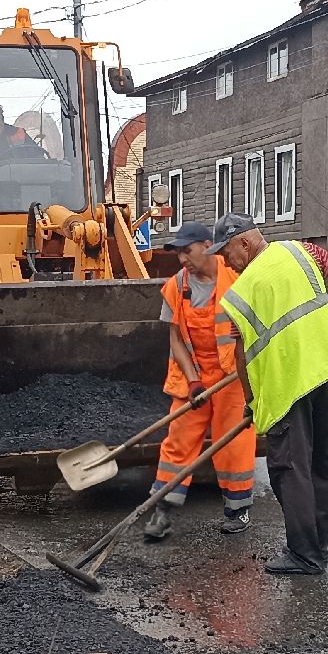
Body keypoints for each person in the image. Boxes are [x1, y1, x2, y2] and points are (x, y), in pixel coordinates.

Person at [210, 213, 328, 575]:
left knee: (289, 469)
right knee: (321, 461)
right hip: (327, 373)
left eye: (225, 254)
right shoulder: (305, 253)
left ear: (244, 243)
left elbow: (241, 357)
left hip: (287, 388)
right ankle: (317, 546)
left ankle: (304, 554)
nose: (225, 263)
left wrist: (252, 401)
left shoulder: (240, 294)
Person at [144, 220, 256, 543]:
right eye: (178, 253)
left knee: (234, 440)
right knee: (178, 442)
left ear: (207, 246)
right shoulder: (176, 287)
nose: (182, 259)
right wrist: (194, 382)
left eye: (186, 251)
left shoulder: (237, 276)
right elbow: (176, 340)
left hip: (232, 375)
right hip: (194, 377)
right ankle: (162, 512)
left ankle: (237, 510)